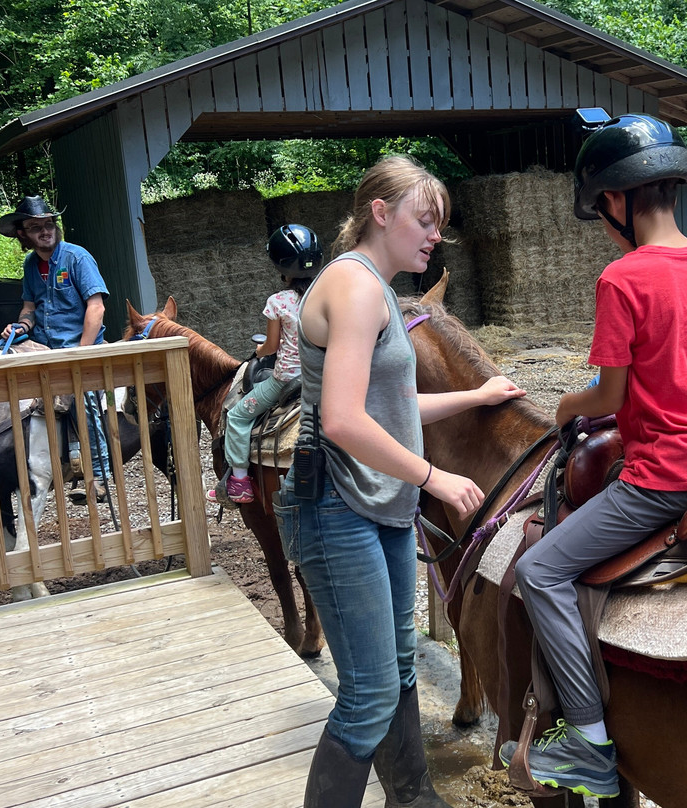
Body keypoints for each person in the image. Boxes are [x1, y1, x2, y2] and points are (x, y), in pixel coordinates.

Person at [498, 111, 687, 799]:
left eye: (602, 206)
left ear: (614, 201)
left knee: (543, 569)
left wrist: (564, 408)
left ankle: (586, 746)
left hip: (671, 476)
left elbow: (608, 393)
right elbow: (676, 368)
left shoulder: (622, 279)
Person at [272, 154, 526, 808]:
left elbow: (390, 407)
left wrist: (476, 397)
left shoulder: (381, 289)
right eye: (425, 219)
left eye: (439, 223)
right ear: (379, 214)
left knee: (401, 666)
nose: (435, 234)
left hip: (377, 508)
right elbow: (343, 421)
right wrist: (434, 475)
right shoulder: (354, 287)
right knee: (367, 694)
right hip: (335, 505)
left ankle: (413, 798)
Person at [0, 195, 111, 505]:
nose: (45, 231)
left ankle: (99, 475)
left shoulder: (77, 257)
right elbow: (29, 308)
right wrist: (20, 326)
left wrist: (82, 352)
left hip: (78, 345)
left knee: (81, 395)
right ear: (22, 233)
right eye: (36, 227)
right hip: (44, 344)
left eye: (49, 224)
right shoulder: (31, 264)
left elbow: (96, 307)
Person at [210, 224, 323, 505]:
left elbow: (271, 347)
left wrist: (259, 350)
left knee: (237, 416)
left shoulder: (278, 302)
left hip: (285, 380)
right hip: (324, 376)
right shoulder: (328, 296)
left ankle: (239, 482)